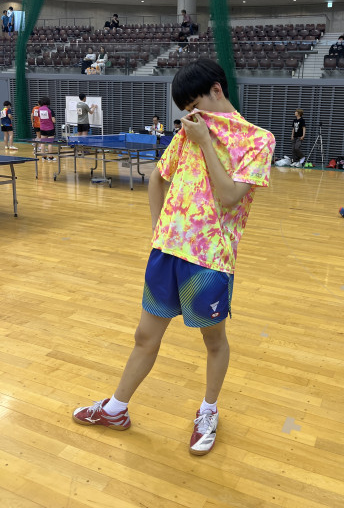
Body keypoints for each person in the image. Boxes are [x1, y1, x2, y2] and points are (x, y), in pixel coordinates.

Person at [72, 58, 276, 456]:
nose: (192, 116)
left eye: (195, 105)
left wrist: (205, 142)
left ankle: (208, 410)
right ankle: (116, 409)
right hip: (166, 252)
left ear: (216, 90)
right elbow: (157, 178)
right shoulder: (187, 132)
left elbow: (230, 196)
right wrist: (158, 230)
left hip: (209, 260)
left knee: (213, 341)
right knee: (144, 336)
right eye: (186, 111)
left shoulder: (257, 140)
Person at [37, 96, 56, 160]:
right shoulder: (50, 110)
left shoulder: (39, 109)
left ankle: (43, 156)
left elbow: (39, 119)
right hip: (50, 128)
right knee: (50, 143)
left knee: (43, 142)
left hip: (42, 128)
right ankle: (50, 157)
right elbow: (53, 121)